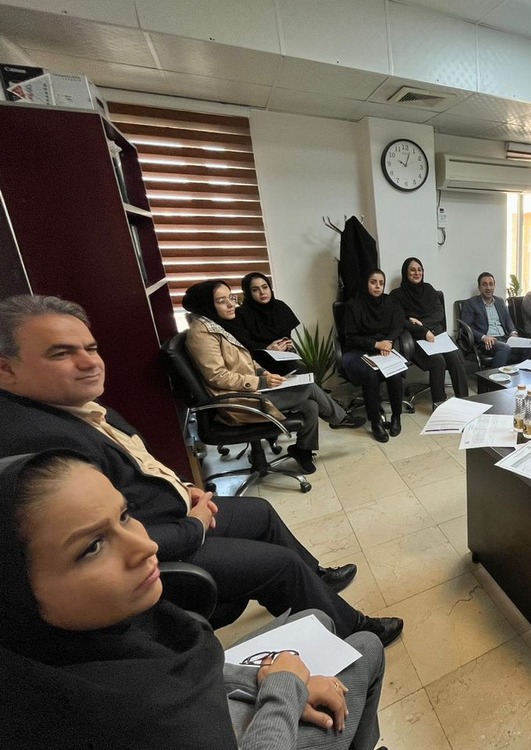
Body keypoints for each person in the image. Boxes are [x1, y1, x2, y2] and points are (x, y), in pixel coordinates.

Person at [0, 295, 403, 645]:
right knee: (280, 565)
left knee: (261, 512)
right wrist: (193, 523)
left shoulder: (79, 408)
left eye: (91, 348)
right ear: (6, 370)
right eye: (61, 353)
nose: (88, 362)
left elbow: (140, 468)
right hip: (165, 547)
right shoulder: (44, 444)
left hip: (177, 511)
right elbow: (110, 544)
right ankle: (353, 630)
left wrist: (185, 487)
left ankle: (316, 581)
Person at [0, 449, 386, 750]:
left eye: (125, 516)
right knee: (366, 647)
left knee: (318, 616)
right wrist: (285, 688)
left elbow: (198, 669)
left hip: (244, 697)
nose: (146, 546)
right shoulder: (136, 715)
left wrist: (265, 680)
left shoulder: (93, 642)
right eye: (92, 547)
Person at [183, 280, 362, 476]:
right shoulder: (202, 335)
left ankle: (302, 450)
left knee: (310, 405)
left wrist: (263, 373)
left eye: (230, 298)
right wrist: (260, 382)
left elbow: (246, 360)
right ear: (206, 305)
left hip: (248, 392)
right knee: (308, 388)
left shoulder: (218, 325)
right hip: (237, 403)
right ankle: (340, 418)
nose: (230, 304)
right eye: (221, 301)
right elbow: (217, 376)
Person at [390, 257, 469, 408]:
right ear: (405, 272)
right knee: (438, 361)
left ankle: (465, 400)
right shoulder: (397, 295)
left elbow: (439, 313)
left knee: (454, 357)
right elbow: (400, 321)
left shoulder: (429, 289)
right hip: (414, 340)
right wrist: (422, 331)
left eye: (419, 270)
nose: (417, 273)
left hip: (436, 336)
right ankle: (439, 404)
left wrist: (422, 324)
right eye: (412, 270)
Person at [342, 269, 406, 444]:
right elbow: (351, 337)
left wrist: (389, 341)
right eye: (373, 282)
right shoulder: (353, 305)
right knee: (370, 373)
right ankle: (375, 422)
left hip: (383, 347)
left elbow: (398, 325)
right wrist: (376, 344)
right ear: (366, 283)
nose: (377, 286)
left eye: (381, 283)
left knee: (394, 370)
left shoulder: (389, 302)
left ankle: (396, 416)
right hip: (357, 350)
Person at [460, 271, 531, 367]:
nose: (488, 288)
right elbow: (466, 327)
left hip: (505, 338)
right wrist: (483, 337)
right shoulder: (471, 303)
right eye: (484, 284)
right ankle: (495, 376)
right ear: (479, 287)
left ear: (494, 286)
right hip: (487, 341)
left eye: (491, 284)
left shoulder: (499, 301)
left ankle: (523, 372)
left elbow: (508, 320)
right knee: (504, 348)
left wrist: (513, 332)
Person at [236, 271, 301, 374]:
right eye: (255, 290)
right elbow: (243, 345)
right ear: (248, 293)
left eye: (265, 287)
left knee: (309, 379)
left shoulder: (280, 307)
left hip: (286, 363)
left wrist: (287, 344)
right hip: (259, 367)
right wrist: (267, 348)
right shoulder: (241, 314)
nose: (262, 292)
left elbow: (286, 336)